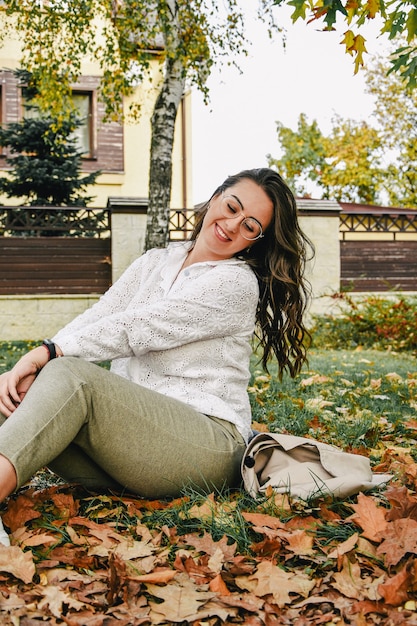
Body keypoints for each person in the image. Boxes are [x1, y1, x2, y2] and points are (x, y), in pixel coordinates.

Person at [0, 168, 313, 546]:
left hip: (206, 443)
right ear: (215, 197)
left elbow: (142, 327)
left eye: (249, 225)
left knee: (70, 376)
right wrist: (38, 360)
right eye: (231, 207)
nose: (231, 225)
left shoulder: (236, 283)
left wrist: (49, 353)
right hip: (131, 449)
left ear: (255, 241)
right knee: (15, 389)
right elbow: (103, 315)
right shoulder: (155, 261)